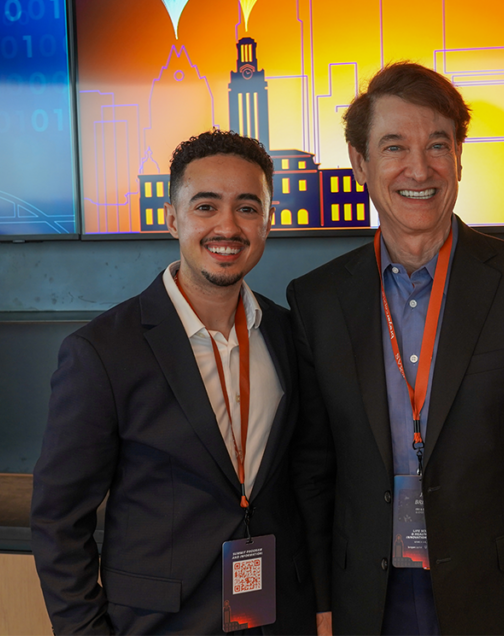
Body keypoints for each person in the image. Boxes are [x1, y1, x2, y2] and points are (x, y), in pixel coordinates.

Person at [288, 63, 504, 635]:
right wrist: (315, 605)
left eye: (438, 144)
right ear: (360, 163)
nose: (419, 168)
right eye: (394, 147)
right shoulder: (316, 300)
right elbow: (314, 471)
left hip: (499, 599)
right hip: (368, 600)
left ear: (459, 157)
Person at [31, 130, 315, 635]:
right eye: (206, 206)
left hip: (276, 617)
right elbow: (58, 521)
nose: (228, 226)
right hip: (161, 623)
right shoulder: (102, 352)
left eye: (248, 208)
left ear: (268, 221)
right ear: (172, 217)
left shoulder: (289, 335)